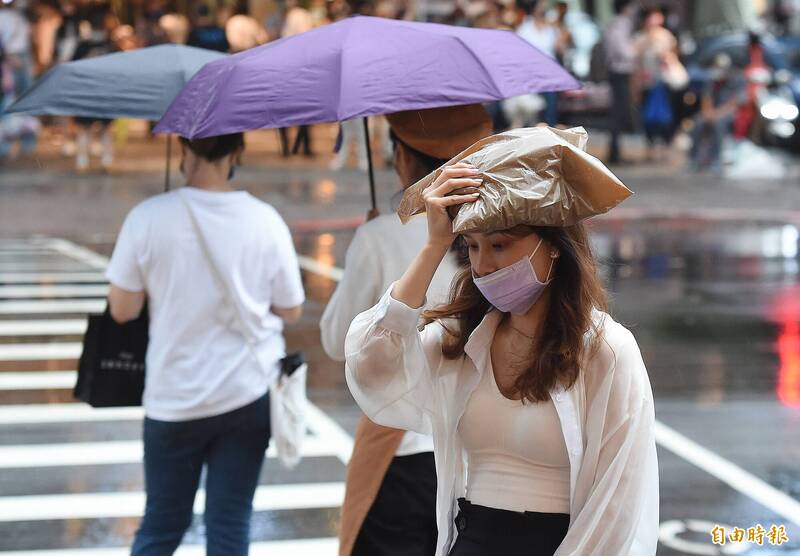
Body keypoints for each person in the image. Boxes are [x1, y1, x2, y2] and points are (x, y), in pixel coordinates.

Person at [344, 126, 659, 556]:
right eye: (471, 247)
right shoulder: (463, 340)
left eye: (500, 244)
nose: (484, 264)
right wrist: (434, 246)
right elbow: (373, 368)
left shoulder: (606, 351)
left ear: (553, 245)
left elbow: (617, 510)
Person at [106, 132, 305, 555]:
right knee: (230, 523)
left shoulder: (147, 217)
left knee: (161, 525)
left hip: (173, 397)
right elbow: (291, 309)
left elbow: (121, 309)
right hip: (246, 394)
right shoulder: (264, 220)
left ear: (182, 149)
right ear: (238, 152)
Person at [322, 105, 492, 556]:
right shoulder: (496, 231)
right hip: (479, 452)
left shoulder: (380, 235)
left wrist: (370, 242)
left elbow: (336, 341)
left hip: (398, 448)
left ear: (402, 158)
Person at [634, 8, 679, 162]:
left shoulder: (666, 36)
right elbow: (637, 63)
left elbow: (673, 55)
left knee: (666, 117)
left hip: (664, 81)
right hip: (647, 82)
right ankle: (650, 147)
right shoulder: (640, 38)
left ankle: (666, 146)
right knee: (648, 118)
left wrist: (665, 56)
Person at [689, 53, 742, 174]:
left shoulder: (736, 81)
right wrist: (708, 113)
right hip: (712, 112)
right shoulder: (712, 82)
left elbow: (734, 103)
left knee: (718, 125)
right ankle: (694, 159)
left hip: (726, 114)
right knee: (697, 122)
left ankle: (716, 159)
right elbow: (706, 99)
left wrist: (717, 114)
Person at [603, 0, 639, 164]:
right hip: (619, 73)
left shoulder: (616, 24)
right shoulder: (620, 25)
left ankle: (615, 152)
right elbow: (625, 52)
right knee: (619, 114)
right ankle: (614, 154)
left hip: (617, 72)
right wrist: (638, 48)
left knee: (619, 113)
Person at [515, 0, 559, 126]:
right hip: (532, 73)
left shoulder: (550, 28)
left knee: (551, 105)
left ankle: (551, 130)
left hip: (550, 71)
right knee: (535, 107)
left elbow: (557, 47)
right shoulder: (525, 29)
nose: (543, 7)